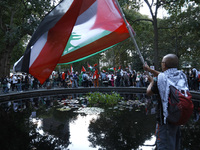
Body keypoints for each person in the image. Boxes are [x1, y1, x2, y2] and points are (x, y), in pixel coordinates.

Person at [144, 54, 189, 150]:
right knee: (174, 143)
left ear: (164, 64)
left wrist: (151, 81)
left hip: (165, 119)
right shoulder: (181, 75)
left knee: (164, 145)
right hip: (177, 115)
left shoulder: (161, 79)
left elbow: (149, 92)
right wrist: (150, 70)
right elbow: (164, 75)